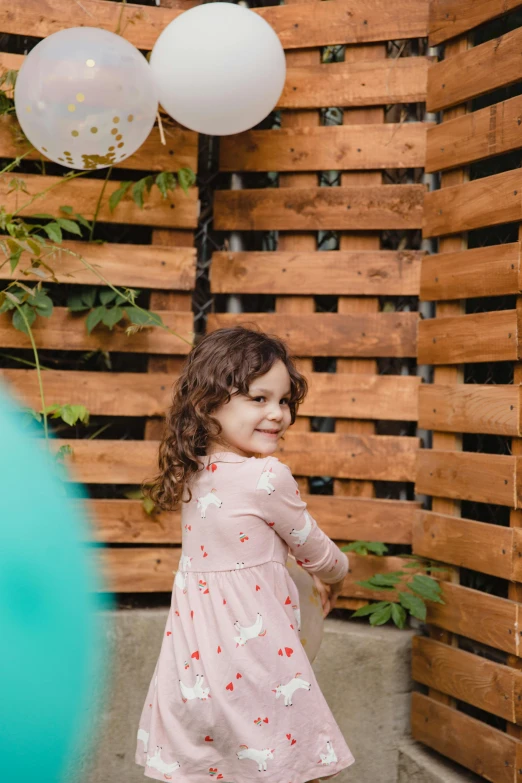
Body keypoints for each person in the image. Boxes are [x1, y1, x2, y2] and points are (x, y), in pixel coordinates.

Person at [134, 325, 355, 782]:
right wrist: (334, 576)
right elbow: (320, 552)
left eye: (284, 401)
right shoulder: (266, 477)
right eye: (259, 399)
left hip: (192, 668)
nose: (278, 414)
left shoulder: (196, 473)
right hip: (255, 666)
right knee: (298, 771)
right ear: (209, 403)